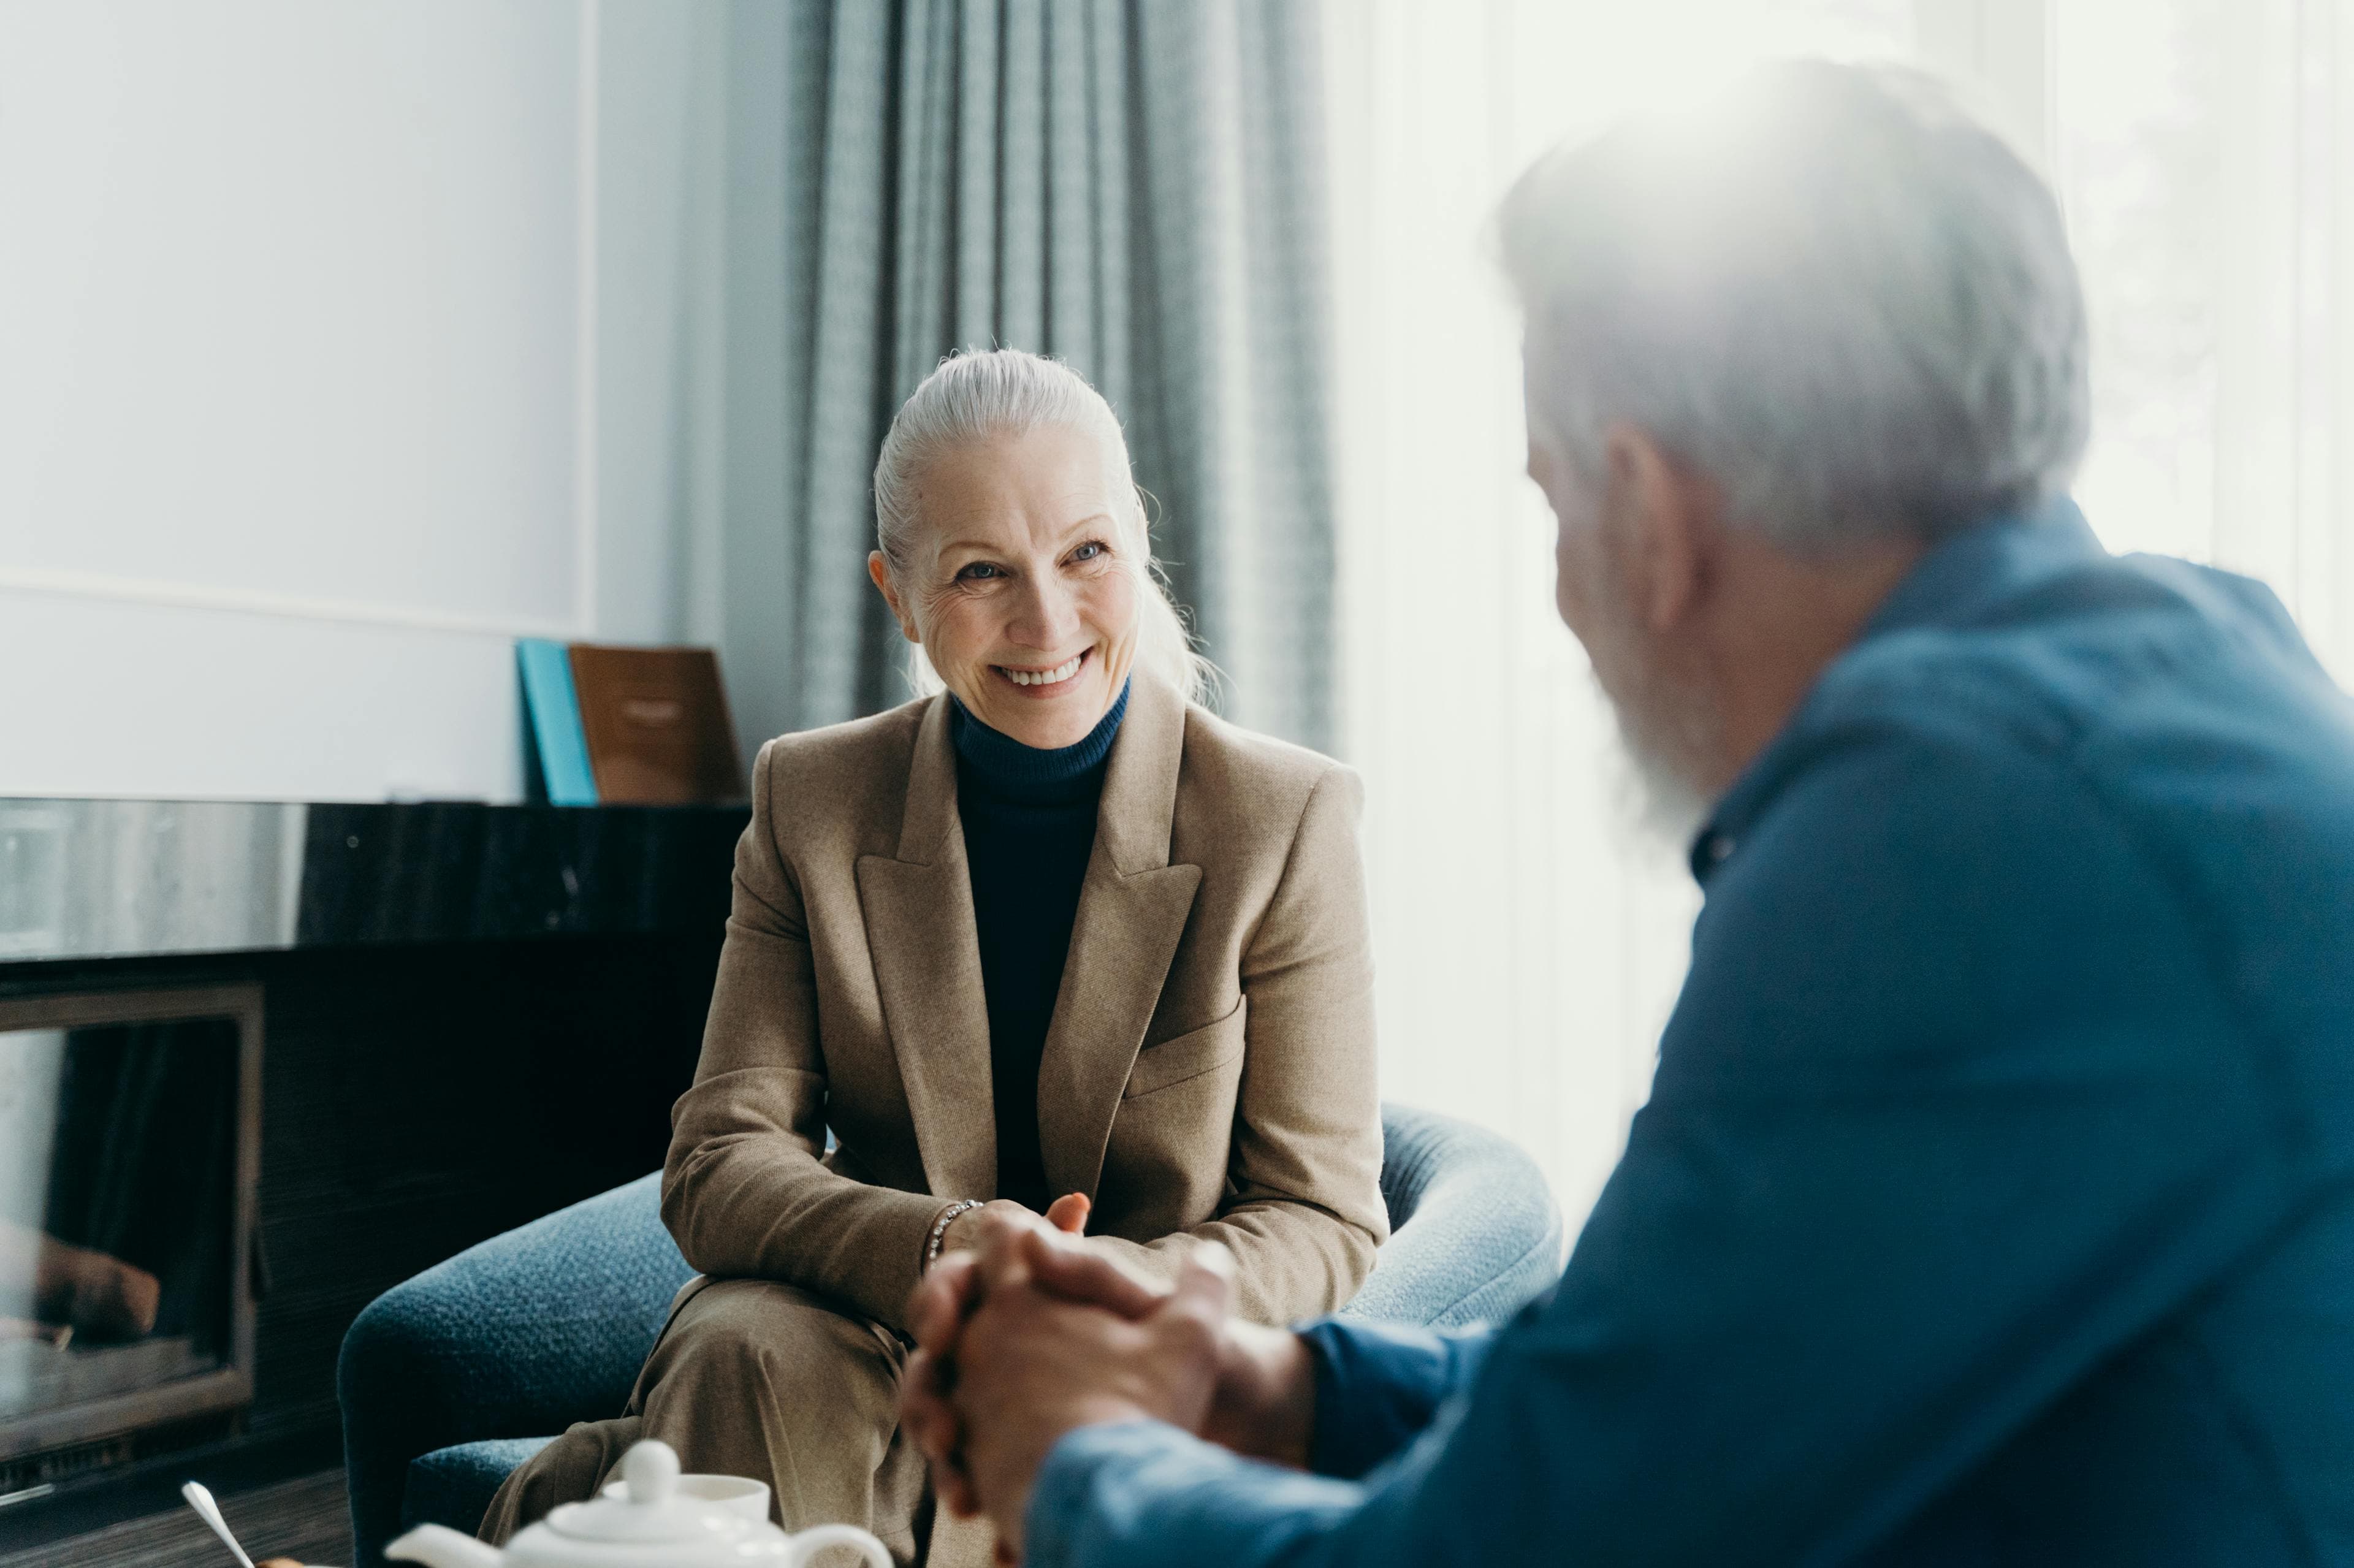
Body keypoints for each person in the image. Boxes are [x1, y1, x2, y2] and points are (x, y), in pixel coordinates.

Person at [901, 62, 2354, 1566]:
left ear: (1646, 513)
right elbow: (1693, 1384)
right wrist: (1272, 1388)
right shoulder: (2169, 692)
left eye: (1550, 503)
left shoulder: (1946, 838)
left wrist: (1082, 1461)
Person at [478, 349, 1388, 1566]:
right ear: (897, 595)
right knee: (743, 1347)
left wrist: (1094, 1302)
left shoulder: (1285, 818)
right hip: (865, 1327)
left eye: (1086, 554)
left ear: (1136, 545)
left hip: (1138, 1348)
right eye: (979, 573)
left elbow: (1322, 1215)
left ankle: (607, 1494)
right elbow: (719, 1163)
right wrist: (950, 1242)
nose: (1047, 619)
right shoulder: (813, 798)